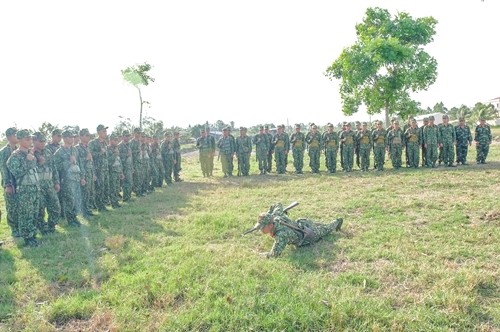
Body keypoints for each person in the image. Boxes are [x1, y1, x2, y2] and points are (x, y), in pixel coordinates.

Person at [244, 202, 343, 258]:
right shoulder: (276, 216)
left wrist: (258, 255)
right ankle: (321, 224)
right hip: (302, 223)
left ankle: (337, 222)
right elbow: (277, 204)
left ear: (270, 225)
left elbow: (273, 255)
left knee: (325, 229)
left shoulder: (281, 235)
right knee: (318, 224)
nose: (260, 230)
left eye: (262, 227)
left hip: (307, 235)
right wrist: (269, 214)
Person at [6, 129, 40, 246]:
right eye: (27, 139)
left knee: (35, 213)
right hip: (25, 190)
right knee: (26, 214)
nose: (30, 141)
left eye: (30, 138)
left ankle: (33, 235)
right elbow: (17, 172)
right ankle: (28, 238)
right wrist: (27, 161)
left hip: (35, 188)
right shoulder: (14, 156)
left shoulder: (30, 154)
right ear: (20, 140)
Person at [54, 130, 85, 227]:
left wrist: (82, 177)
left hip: (76, 178)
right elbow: (56, 167)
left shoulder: (75, 150)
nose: (73, 139)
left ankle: (74, 217)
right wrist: (69, 162)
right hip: (67, 180)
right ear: (65, 138)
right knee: (69, 200)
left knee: (76, 199)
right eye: (70, 137)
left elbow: (80, 163)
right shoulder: (59, 152)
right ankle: (70, 220)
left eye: (73, 137)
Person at [33, 132, 61, 233]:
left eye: (44, 141)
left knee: (55, 206)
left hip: (49, 184)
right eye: (41, 141)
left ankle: (51, 226)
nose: (43, 143)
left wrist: (56, 182)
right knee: (40, 209)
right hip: (37, 185)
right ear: (34, 141)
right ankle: (42, 228)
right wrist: (38, 162)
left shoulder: (48, 152)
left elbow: (54, 168)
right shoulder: (30, 153)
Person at [0, 127, 19, 237]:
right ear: (9, 137)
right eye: (15, 134)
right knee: (11, 207)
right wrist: (7, 184)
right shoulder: (4, 151)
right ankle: (14, 229)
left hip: (19, 183)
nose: (17, 136)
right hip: (10, 183)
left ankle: (21, 226)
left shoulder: (17, 149)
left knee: (20, 206)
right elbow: (3, 168)